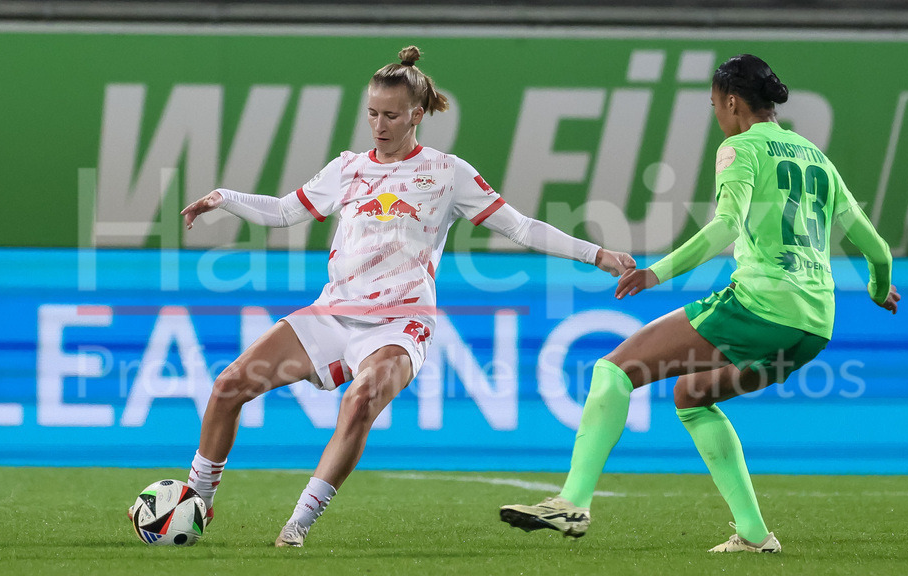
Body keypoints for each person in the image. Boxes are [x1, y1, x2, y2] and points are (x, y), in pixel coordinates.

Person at [158, 46, 636, 548]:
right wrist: (224, 198)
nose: (379, 125)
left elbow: (519, 227)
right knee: (229, 385)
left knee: (360, 400)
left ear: (417, 114)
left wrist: (595, 254)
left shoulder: (449, 173)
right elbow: (283, 212)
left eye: (390, 115)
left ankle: (297, 524)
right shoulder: (346, 169)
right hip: (333, 312)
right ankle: (199, 500)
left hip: (400, 323)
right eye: (371, 113)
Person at [499, 54, 900, 554]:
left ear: (732, 102)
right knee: (692, 396)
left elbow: (727, 227)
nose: (716, 116)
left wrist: (655, 272)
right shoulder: (816, 158)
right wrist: (879, 287)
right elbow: (877, 249)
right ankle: (755, 535)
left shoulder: (740, 149)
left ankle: (572, 501)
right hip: (815, 326)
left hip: (760, 306)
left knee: (613, 371)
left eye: (714, 105)